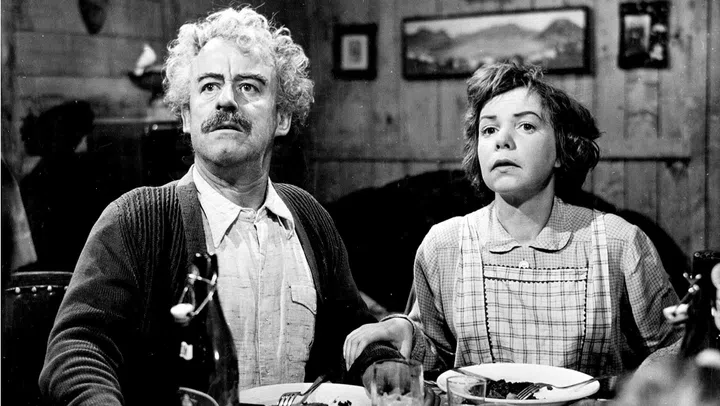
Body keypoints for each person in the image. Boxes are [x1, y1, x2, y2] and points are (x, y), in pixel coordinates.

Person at [39, 6, 400, 405]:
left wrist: (381, 361)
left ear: (281, 118)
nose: (227, 99)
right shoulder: (136, 220)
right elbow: (76, 351)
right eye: (209, 86)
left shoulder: (308, 218)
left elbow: (355, 331)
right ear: (186, 116)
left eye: (249, 87)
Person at [343, 62, 682, 388]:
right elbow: (437, 357)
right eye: (489, 129)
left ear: (561, 150)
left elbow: (678, 347)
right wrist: (406, 332)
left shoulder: (618, 242)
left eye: (526, 126)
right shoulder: (444, 245)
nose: (502, 140)